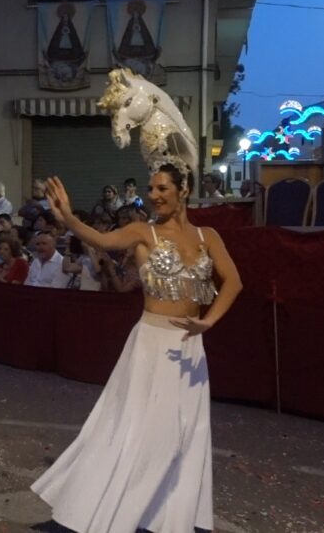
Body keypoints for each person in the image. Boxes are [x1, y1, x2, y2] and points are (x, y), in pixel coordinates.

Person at [31, 138, 242, 531]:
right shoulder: (144, 232)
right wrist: (69, 219)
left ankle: (168, 517)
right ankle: (101, 511)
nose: (154, 195)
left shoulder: (208, 236)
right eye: (151, 188)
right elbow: (102, 241)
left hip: (190, 349)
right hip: (151, 344)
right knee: (133, 429)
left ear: (183, 191)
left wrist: (209, 322)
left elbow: (233, 282)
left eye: (162, 188)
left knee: (185, 433)